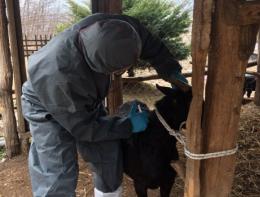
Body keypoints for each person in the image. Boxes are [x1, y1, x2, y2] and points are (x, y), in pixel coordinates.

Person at [21, 13, 188, 197]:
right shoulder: (60, 76)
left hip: (86, 97)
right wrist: (127, 125)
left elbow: (151, 44)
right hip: (46, 102)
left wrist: (171, 70)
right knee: (57, 171)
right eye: (118, 72)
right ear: (100, 67)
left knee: (108, 154)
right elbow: (84, 129)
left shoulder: (120, 29)